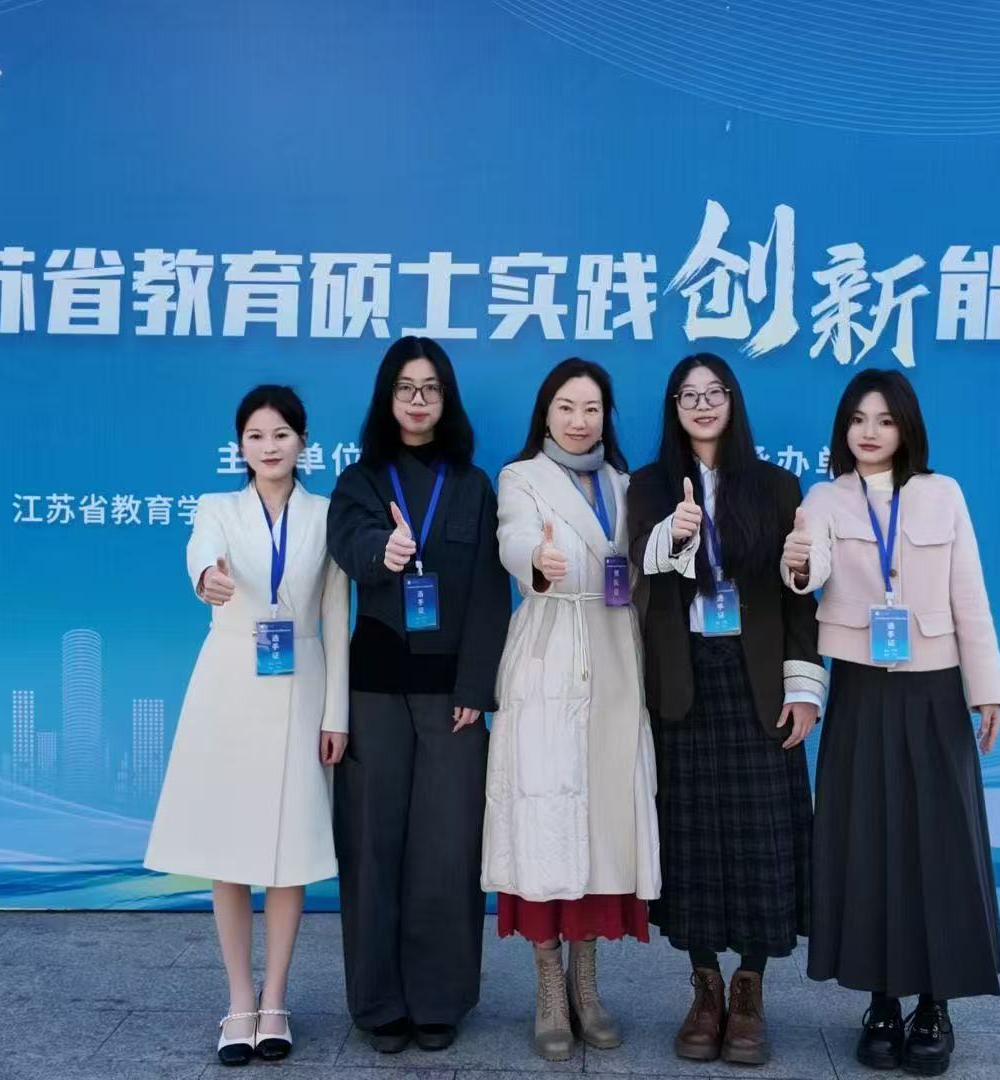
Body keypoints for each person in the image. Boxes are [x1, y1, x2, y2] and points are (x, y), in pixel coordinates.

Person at [782, 368, 1000, 1076]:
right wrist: (797, 564)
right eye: (857, 419)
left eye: (883, 419)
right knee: (866, 842)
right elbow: (810, 571)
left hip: (935, 687)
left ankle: (934, 1004)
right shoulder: (823, 498)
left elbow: (970, 595)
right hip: (861, 689)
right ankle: (880, 1000)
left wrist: (987, 689)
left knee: (940, 844)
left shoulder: (944, 494)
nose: (870, 432)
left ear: (907, 427)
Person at [144, 384, 351, 1067]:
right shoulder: (217, 508)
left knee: (290, 853)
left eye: (281, 434)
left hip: (302, 687)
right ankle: (239, 999)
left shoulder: (326, 514)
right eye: (256, 436)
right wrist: (207, 577)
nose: (269, 447)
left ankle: (276, 999)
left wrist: (337, 713)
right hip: (230, 686)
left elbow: (335, 619)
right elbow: (201, 555)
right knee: (229, 851)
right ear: (240, 445)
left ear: (303, 443)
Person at [626, 353, 823, 1065]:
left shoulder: (774, 486)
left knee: (761, 840)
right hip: (681, 681)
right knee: (694, 842)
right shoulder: (648, 485)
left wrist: (804, 689)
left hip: (756, 680)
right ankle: (704, 985)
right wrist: (675, 536)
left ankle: (750, 989)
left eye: (715, 393)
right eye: (689, 395)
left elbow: (799, 598)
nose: (703, 404)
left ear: (733, 402)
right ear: (674, 407)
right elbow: (638, 569)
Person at [327, 336, 510, 1052]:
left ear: (446, 399)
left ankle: (440, 999)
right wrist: (384, 550)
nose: (417, 400)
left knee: (447, 847)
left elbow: (491, 593)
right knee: (372, 845)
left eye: (430, 388)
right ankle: (378, 1003)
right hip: (375, 691)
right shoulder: (361, 480)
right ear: (387, 398)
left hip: (451, 698)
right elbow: (348, 543)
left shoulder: (473, 484)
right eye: (405, 388)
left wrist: (476, 687)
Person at [481, 357, 661, 1062]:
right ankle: (549, 985)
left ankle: (589, 982)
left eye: (591, 408)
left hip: (616, 655)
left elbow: (648, 561)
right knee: (547, 817)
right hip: (551, 650)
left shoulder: (626, 483)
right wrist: (537, 561)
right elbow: (513, 538)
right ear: (546, 413)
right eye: (566, 407)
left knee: (602, 822)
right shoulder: (521, 477)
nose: (579, 421)